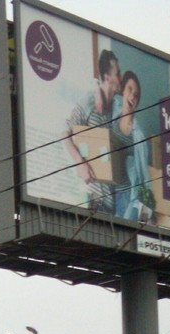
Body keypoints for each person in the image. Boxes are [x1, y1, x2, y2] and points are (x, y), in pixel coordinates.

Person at [63, 48, 122, 213]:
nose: (120, 78)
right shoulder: (88, 101)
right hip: (92, 200)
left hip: (112, 205)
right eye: (118, 73)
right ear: (107, 77)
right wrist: (80, 163)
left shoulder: (117, 108)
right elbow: (65, 133)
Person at [111, 70, 152, 223]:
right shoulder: (111, 118)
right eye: (130, 89)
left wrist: (146, 210)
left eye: (136, 95)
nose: (132, 96)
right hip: (107, 193)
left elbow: (144, 177)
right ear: (123, 90)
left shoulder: (139, 136)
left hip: (127, 197)